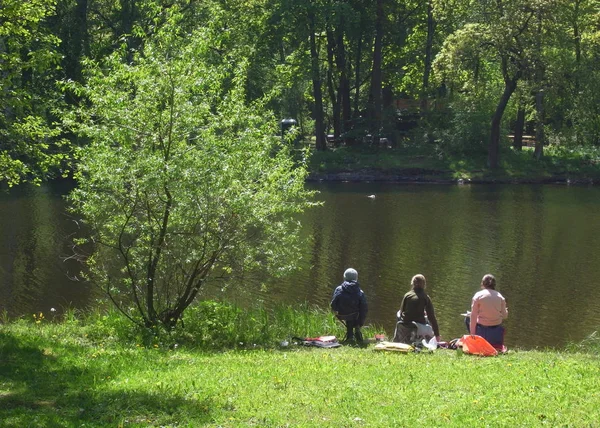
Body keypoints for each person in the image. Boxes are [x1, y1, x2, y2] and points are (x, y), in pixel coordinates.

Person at [393, 274, 440, 344]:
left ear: (412, 284)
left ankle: (400, 336)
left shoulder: (407, 295)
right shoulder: (425, 297)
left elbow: (401, 311)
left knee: (398, 313)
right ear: (424, 285)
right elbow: (432, 317)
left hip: (404, 325)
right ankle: (423, 341)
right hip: (417, 327)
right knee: (429, 323)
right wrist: (437, 334)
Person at [467, 274, 508, 349]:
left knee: (467, 319)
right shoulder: (500, 297)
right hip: (495, 332)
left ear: (482, 283)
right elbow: (505, 316)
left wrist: (472, 334)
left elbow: (473, 316)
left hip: (481, 331)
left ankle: (475, 339)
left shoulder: (478, 295)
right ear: (494, 285)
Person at [331, 268, 368, 343]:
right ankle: (357, 329)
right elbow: (364, 308)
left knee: (350, 314)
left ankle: (350, 336)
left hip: (341, 315)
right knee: (358, 311)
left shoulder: (338, 289)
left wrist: (336, 310)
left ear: (344, 277)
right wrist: (361, 322)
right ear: (356, 278)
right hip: (355, 316)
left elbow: (333, 304)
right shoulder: (360, 292)